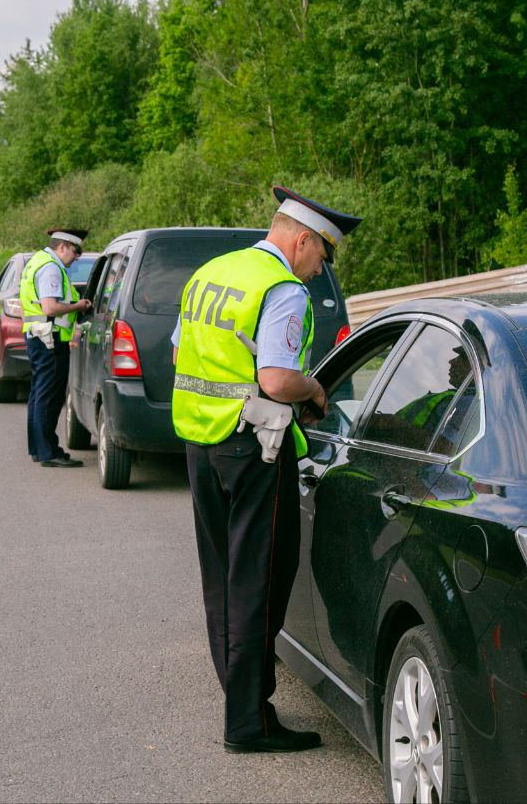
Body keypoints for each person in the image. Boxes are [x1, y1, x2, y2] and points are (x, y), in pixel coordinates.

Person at [171, 185, 360, 753]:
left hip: (202, 443)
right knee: (260, 580)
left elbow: (182, 353)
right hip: (257, 448)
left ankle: (241, 696)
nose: (318, 269)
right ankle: (247, 721)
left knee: (224, 578)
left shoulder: (215, 272)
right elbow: (277, 379)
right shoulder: (282, 289)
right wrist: (316, 388)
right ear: (302, 240)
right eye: (322, 255)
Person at [20, 228, 93, 468]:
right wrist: (78, 306)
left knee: (39, 394)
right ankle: (48, 451)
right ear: (62, 246)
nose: (76, 257)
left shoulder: (38, 261)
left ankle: (40, 448)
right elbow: (50, 308)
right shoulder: (51, 268)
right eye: (75, 251)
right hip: (49, 339)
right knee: (48, 395)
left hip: (40, 337)